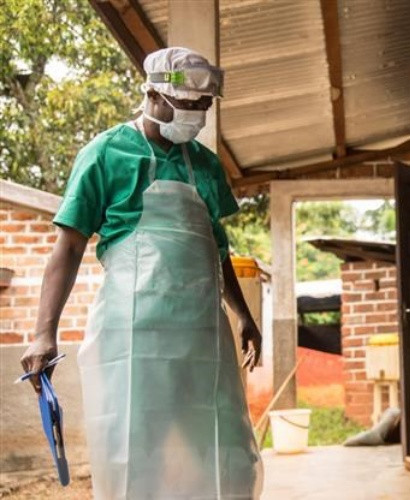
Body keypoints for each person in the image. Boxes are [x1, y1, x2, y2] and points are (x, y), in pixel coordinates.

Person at [19, 47, 263, 498]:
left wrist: (243, 314)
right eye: (189, 105)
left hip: (200, 337)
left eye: (204, 106)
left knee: (223, 451)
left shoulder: (206, 166)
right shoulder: (106, 153)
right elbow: (68, 245)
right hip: (133, 339)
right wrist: (43, 333)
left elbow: (216, 248)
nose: (198, 116)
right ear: (152, 95)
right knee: (135, 453)